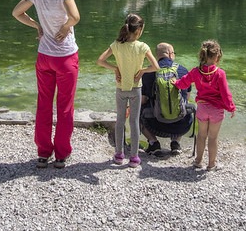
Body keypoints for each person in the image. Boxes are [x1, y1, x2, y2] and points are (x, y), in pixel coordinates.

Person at [12, 0, 80, 169]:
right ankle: (61, 155)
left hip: (44, 57)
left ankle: (43, 153)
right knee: (65, 106)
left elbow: (16, 13)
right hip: (66, 57)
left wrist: (37, 26)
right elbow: (76, 17)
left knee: (43, 105)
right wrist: (65, 27)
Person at [97, 13, 160, 168]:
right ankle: (134, 157)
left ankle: (119, 155)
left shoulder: (116, 45)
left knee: (120, 121)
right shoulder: (143, 47)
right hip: (136, 89)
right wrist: (143, 71)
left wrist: (115, 69)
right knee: (134, 121)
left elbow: (100, 60)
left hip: (120, 89)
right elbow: (156, 67)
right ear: (139, 31)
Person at [172, 40, 235, 171]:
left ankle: (198, 161)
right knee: (213, 138)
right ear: (217, 57)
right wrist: (231, 107)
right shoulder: (220, 73)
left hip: (202, 108)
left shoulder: (196, 71)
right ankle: (211, 164)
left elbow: (184, 83)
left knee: (201, 136)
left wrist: (175, 83)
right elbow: (225, 94)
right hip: (216, 110)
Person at [140, 42, 193, 156]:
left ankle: (154, 143)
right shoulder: (183, 70)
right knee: (186, 104)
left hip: (156, 126)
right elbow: (187, 97)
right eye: (174, 53)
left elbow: (143, 99)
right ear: (170, 54)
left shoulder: (148, 73)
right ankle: (175, 143)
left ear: (157, 55)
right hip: (181, 126)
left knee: (139, 107)